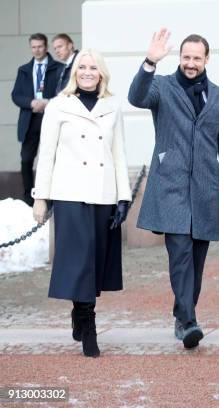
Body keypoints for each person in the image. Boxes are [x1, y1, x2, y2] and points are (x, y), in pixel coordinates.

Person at [128, 28, 219, 349]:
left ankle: (182, 313)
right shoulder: (161, 87)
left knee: (197, 260)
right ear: (180, 57)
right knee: (180, 255)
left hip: (205, 190)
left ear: (207, 59)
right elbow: (136, 97)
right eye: (186, 57)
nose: (190, 63)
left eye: (196, 58)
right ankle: (188, 322)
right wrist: (150, 61)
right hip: (171, 187)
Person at [31, 49, 131, 358]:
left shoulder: (112, 107)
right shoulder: (59, 106)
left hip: (103, 193)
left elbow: (118, 153)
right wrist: (40, 198)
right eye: (82, 67)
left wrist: (124, 196)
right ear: (75, 72)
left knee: (96, 260)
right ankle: (88, 324)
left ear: (101, 73)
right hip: (70, 193)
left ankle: (79, 310)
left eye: (93, 68)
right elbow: (46, 154)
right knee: (79, 260)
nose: (87, 72)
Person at [11, 33, 62, 206]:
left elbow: (64, 92)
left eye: (40, 46)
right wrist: (31, 102)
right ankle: (28, 199)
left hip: (51, 117)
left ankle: (53, 198)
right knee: (26, 159)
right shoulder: (24, 70)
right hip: (30, 119)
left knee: (52, 159)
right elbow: (16, 95)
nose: (37, 50)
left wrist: (48, 102)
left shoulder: (59, 68)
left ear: (46, 47)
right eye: (33, 47)